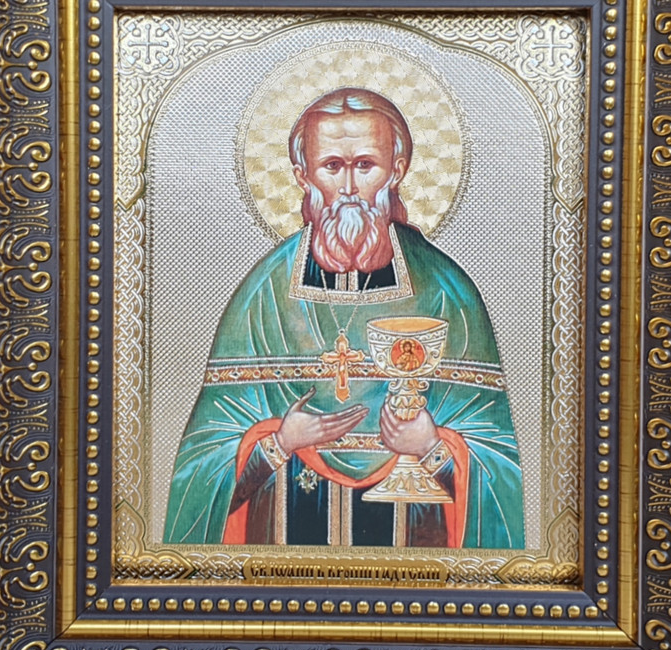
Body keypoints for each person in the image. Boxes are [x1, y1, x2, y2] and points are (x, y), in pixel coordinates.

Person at [162, 87, 523, 550]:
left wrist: (433, 449)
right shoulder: (264, 293)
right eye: (332, 166)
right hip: (281, 552)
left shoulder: (447, 292)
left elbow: (498, 459)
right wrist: (279, 442)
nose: (349, 187)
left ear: (397, 170)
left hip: (417, 550)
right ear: (302, 175)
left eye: (365, 165)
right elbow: (203, 458)